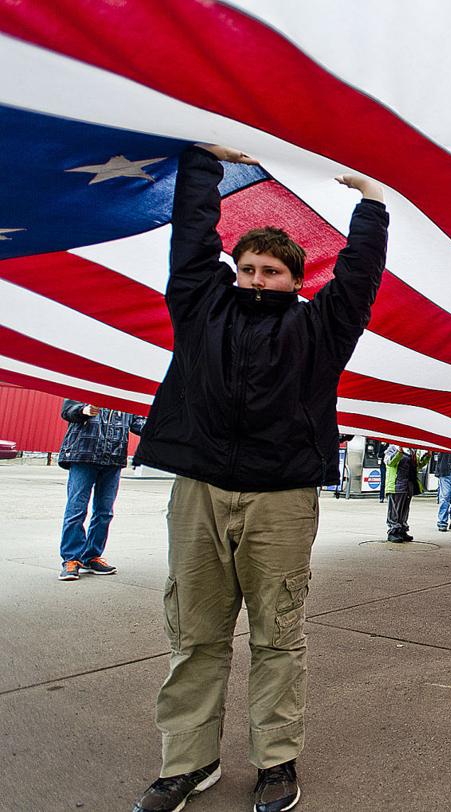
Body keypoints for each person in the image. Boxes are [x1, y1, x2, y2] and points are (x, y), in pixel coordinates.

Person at [129, 143, 388, 812]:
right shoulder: (201, 310)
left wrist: (373, 203)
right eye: (244, 268)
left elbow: (358, 279)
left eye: (270, 270)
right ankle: (187, 764)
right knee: (195, 636)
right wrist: (204, 165)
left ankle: (276, 763)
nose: (253, 278)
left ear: (295, 279)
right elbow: (191, 244)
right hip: (199, 494)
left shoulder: (320, 329)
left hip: (281, 500)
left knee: (277, 636)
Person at [55, 400, 145, 581]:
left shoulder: (126, 395)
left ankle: (92, 556)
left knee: (105, 512)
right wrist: (84, 410)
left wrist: (166, 425)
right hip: (83, 454)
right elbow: (68, 411)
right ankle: (71, 559)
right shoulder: (87, 384)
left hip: (113, 457)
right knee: (76, 509)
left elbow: (138, 423)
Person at [384, 446, 426, 542]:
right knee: (394, 510)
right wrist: (399, 452)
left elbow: (418, 465)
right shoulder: (392, 448)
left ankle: (402, 530)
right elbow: (389, 462)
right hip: (396, 485)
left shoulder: (412, 450)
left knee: (404, 510)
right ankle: (393, 532)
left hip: (408, 484)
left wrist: (427, 457)